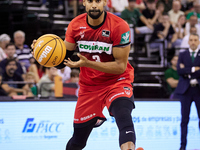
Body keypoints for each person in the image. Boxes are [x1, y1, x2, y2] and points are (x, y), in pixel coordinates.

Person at [31, 0, 136, 149]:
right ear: (84, 3)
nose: (94, 5)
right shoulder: (75, 25)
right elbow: (62, 60)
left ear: (105, 2)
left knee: (124, 116)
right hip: (90, 87)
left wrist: (88, 64)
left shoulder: (120, 26)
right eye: (90, 1)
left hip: (117, 81)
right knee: (78, 141)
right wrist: (40, 52)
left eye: (98, 1)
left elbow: (120, 67)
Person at [174, 33, 200, 150]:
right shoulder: (182, 54)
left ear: (198, 41)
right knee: (184, 120)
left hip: (198, 90)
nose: (193, 42)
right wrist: (195, 69)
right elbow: (179, 71)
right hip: (186, 90)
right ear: (188, 42)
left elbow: (184, 70)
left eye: (195, 40)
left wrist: (187, 70)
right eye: (191, 40)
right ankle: (182, 146)